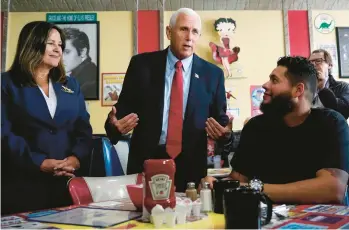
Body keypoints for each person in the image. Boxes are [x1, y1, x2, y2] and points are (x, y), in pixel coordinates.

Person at [105, 8, 229, 192]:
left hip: (191, 169)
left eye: (195, 32)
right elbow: (119, 114)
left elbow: (221, 123)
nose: (189, 37)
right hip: (146, 163)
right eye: (183, 29)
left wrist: (225, 135)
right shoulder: (141, 66)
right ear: (169, 32)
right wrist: (113, 126)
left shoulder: (213, 74)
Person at [203, 56, 349, 204]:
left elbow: (333, 189)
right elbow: (238, 181)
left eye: (274, 80)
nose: (265, 85)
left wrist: (256, 190)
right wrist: (216, 184)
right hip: (266, 221)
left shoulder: (330, 123)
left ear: (298, 90)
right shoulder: (256, 127)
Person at [1, 21, 93, 214]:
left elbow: (83, 128)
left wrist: (76, 158)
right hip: (21, 185)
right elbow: (3, 133)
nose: (57, 49)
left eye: (60, 45)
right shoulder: (6, 84)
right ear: (32, 43)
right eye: (51, 43)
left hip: (67, 184)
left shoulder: (71, 84)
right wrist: (39, 162)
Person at [308, 49, 349, 119]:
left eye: (318, 61)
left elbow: (344, 112)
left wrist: (322, 88)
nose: (313, 64)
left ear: (330, 65)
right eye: (310, 62)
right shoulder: (304, 86)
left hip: (332, 128)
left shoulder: (342, 86)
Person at [63, 28, 98, 99]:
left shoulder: (89, 82)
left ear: (83, 52)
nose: (61, 58)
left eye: (67, 52)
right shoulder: (79, 75)